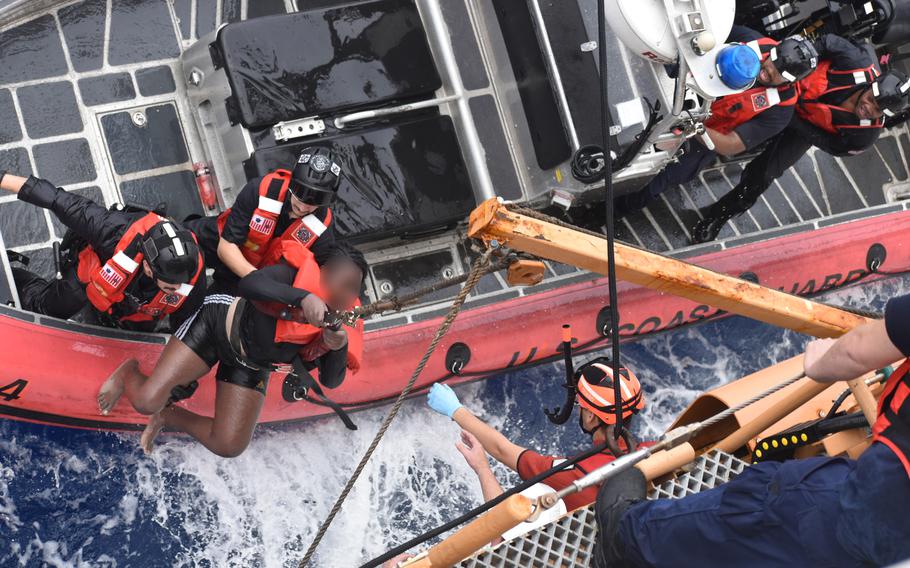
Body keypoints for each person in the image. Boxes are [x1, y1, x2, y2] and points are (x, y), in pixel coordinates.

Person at [593, 295, 910, 567]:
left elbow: (856, 351)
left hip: (869, 511)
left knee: (765, 503)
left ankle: (623, 538)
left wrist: (820, 364)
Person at [96, 241, 367, 457]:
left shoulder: (338, 324)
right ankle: (128, 372)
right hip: (217, 325)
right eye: (341, 282)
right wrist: (303, 298)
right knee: (146, 401)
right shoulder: (291, 275)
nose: (345, 295)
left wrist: (339, 346)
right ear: (321, 270)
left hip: (251, 364)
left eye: (353, 289)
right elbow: (250, 284)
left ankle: (168, 416)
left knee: (229, 445)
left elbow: (332, 381)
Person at [692, 35, 910, 243]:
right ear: (872, 85)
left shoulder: (863, 136)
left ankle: (719, 215)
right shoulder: (854, 61)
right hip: (787, 82)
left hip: (804, 126)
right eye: (871, 99)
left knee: (764, 174)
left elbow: (831, 145)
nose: (868, 108)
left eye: (877, 110)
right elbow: (826, 41)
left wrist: (789, 119)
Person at [614, 27, 818, 216]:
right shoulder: (752, 41)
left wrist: (692, 126)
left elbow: (731, 144)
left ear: (792, 81)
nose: (770, 70)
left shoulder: (780, 111)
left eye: (780, 74)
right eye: (773, 62)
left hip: (701, 135)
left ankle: (609, 211)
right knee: (626, 109)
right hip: (681, 87)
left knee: (655, 182)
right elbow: (701, 37)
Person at [427, 358, 647, 511]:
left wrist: (455, 410)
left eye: (581, 405)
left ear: (591, 417)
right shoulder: (651, 451)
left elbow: (503, 450)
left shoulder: (574, 473)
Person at [0, 171, 204, 333]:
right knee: (44, 308)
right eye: (171, 285)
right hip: (93, 277)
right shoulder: (112, 229)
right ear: (148, 267)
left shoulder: (190, 276)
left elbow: (186, 325)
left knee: (137, 330)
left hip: (133, 311)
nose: (178, 288)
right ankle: (18, 279)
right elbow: (56, 199)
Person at [185, 146, 341, 293]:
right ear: (292, 181)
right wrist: (258, 280)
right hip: (226, 242)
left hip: (256, 279)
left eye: (317, 199)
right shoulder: (261, 189)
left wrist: (263, 286)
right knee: (178, 243)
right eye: (300, 192)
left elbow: (322, 276)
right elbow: (226, 247)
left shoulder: (322, 228)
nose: (303, 206)